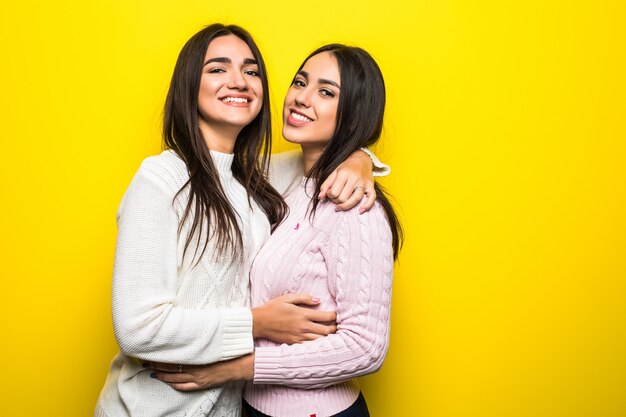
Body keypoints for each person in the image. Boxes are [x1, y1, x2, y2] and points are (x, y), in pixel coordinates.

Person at [94, 25, 386, 417]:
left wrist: (361, 158)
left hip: (233, 407)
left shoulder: (255, 178)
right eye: (218, 69)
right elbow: (137, 328)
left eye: (251, 71)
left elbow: (323, 159)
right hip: (153, 407)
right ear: (188, 85)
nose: (239, 81)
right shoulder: (160, 180)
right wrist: (257, 323)